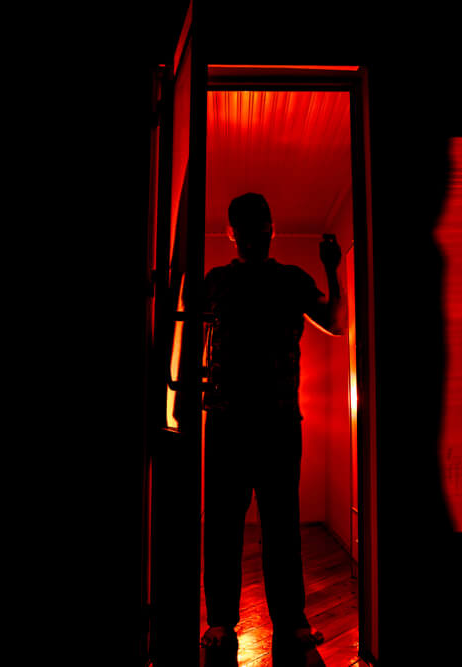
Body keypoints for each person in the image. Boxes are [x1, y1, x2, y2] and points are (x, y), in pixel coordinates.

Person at [200, 193, 345, 652]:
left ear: (234, 233)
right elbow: (336, 321)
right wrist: (332, 269)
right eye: (251, 226)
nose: (253, 233)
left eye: (254, 225)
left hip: (243, 421)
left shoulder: (221, 281)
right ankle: (282, 622)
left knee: (237, 526)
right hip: (263, 421)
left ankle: (229, 623)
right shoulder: (281, 280)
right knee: (266, 525)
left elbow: (336, 324)